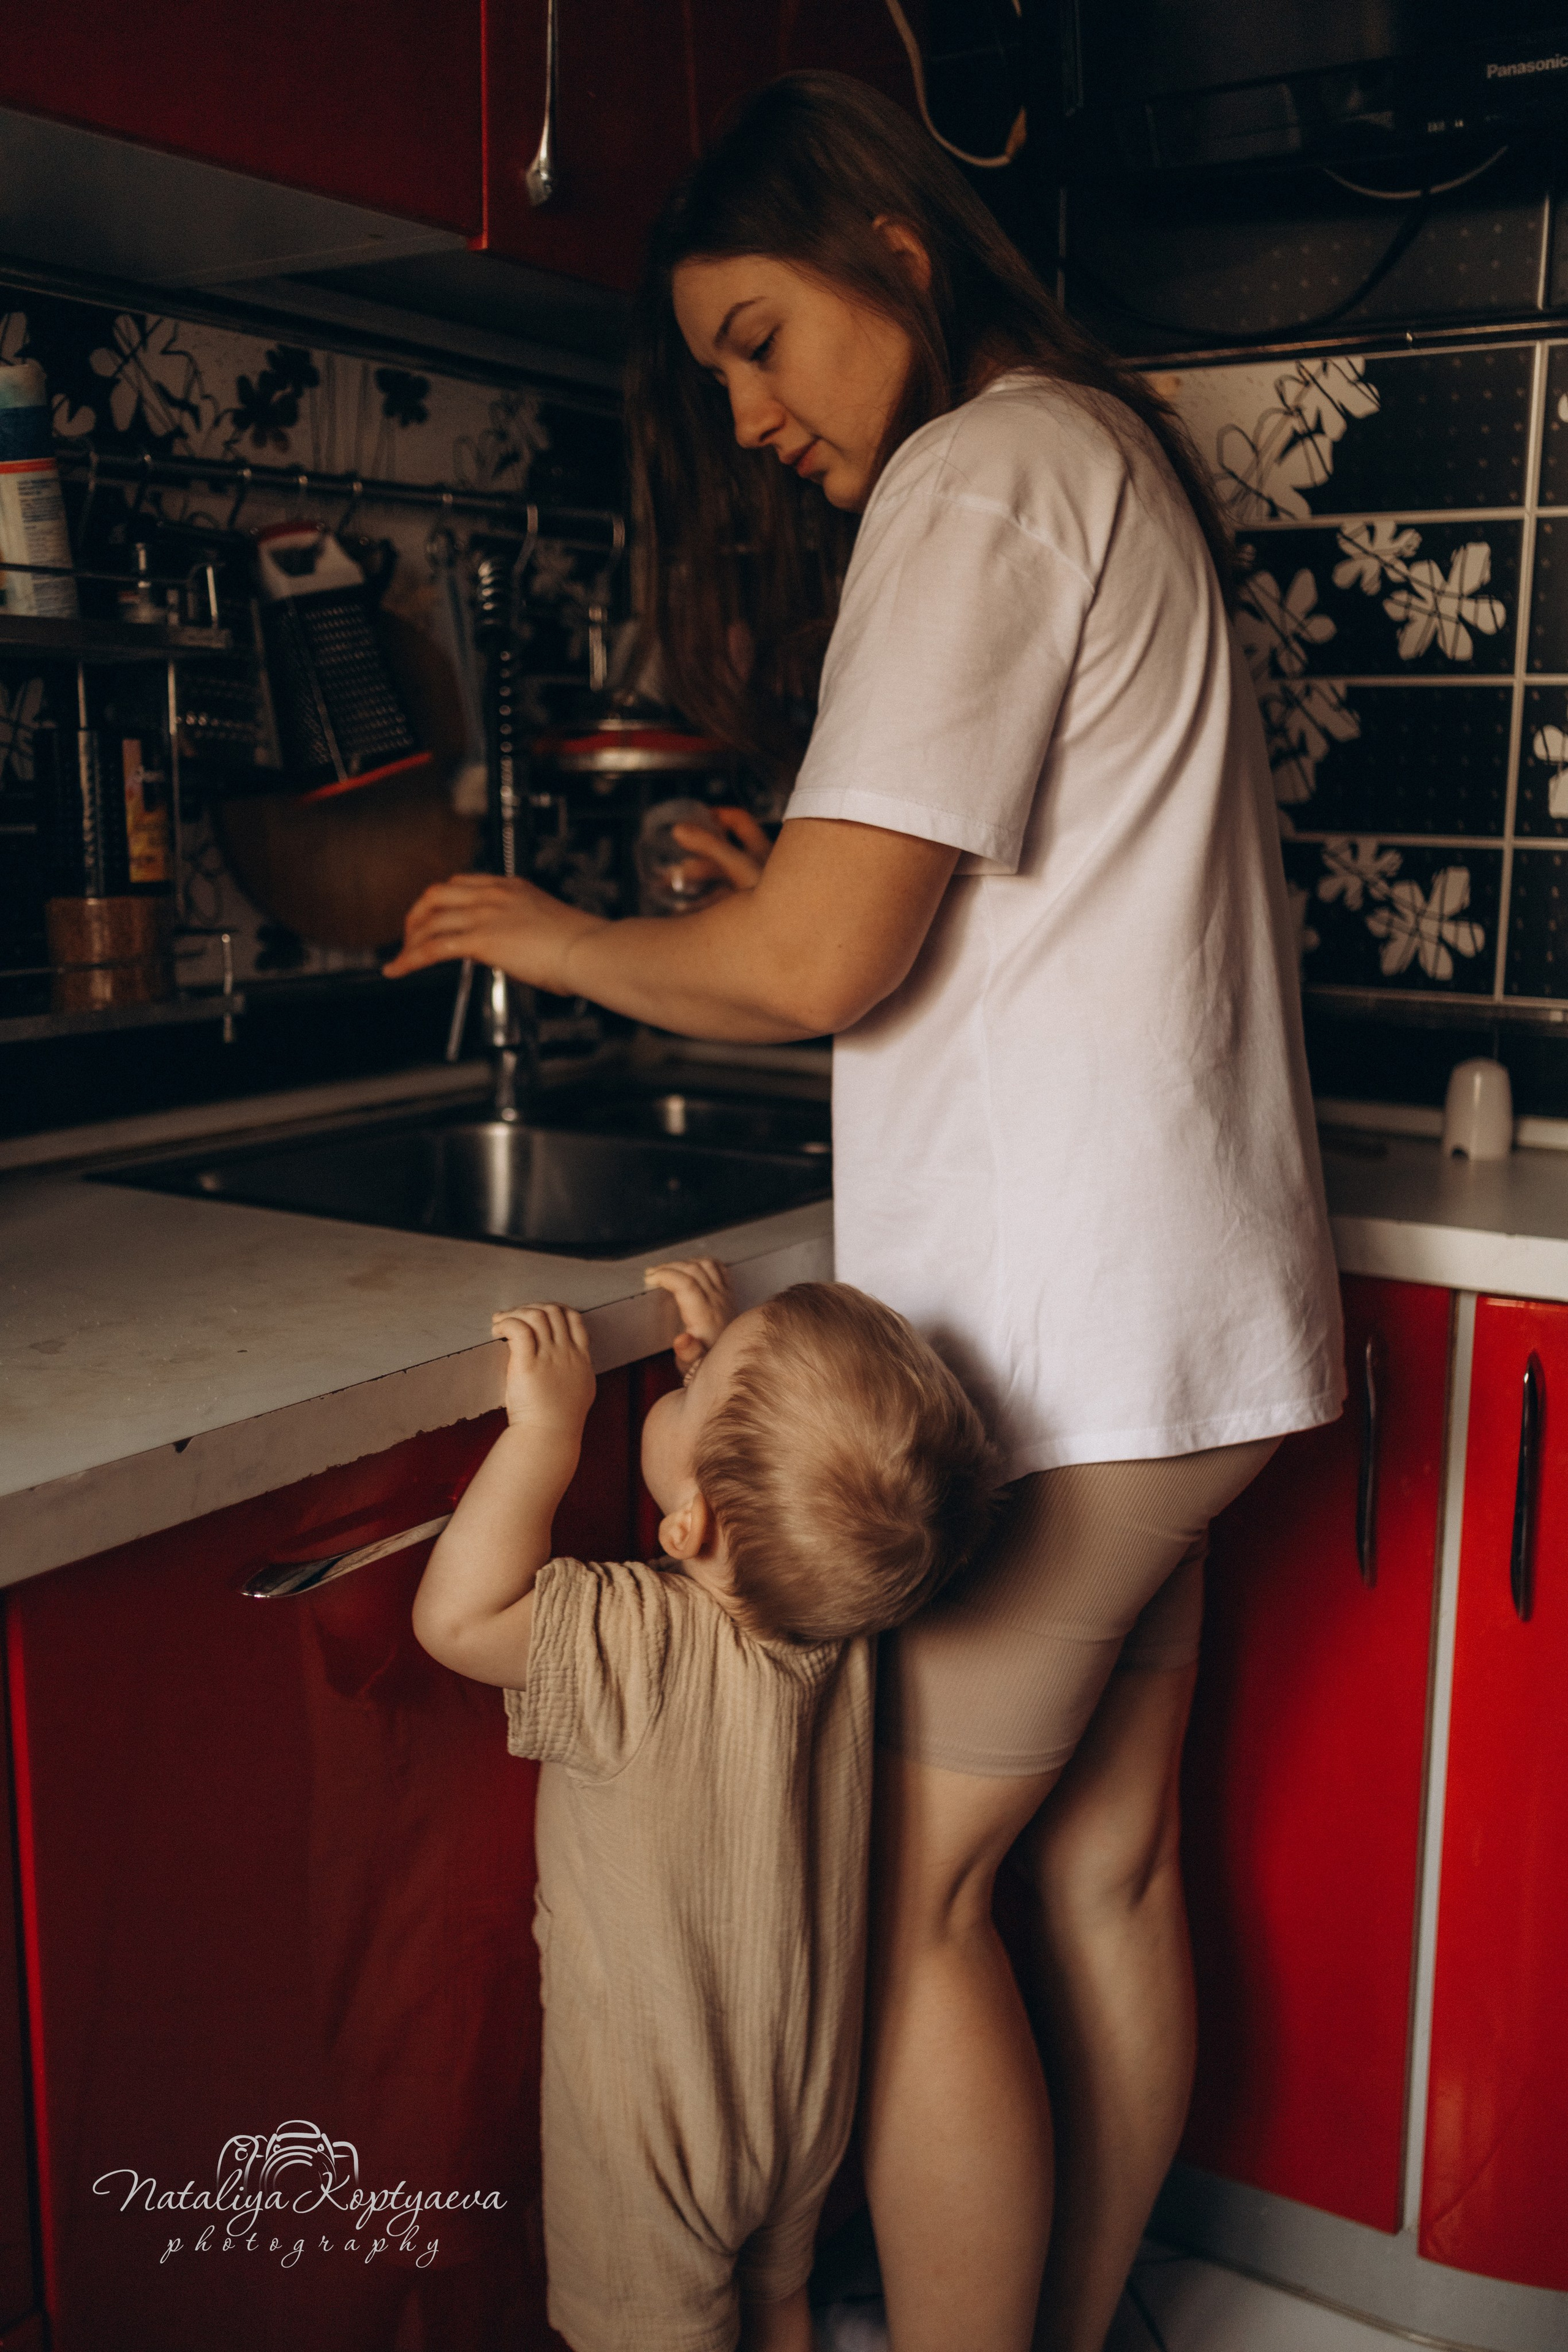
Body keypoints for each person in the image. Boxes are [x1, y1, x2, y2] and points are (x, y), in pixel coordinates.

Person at [386, 72, 1343, 2352]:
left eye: (754, 337)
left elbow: (830, 961)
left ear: (892, 258)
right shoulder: (1096, 458)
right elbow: (949, 908)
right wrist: (763, 892)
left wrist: (562, 935)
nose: (742, 411)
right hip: (1194, 1335)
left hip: (1062, 1346)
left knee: (902, 1908)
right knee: (1097, 1871)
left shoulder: (976, 468)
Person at [410, 1258, 998, 2352]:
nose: (672, 1392)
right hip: (804, 2100)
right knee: (777, 2301)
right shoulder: (843, 1629)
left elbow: (458, 1619)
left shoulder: (630, 1641)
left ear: (688, 1525)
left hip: (656, 2130)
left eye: (686, 1393)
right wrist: (722, 1374)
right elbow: (799, 1495)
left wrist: (549, 1431)